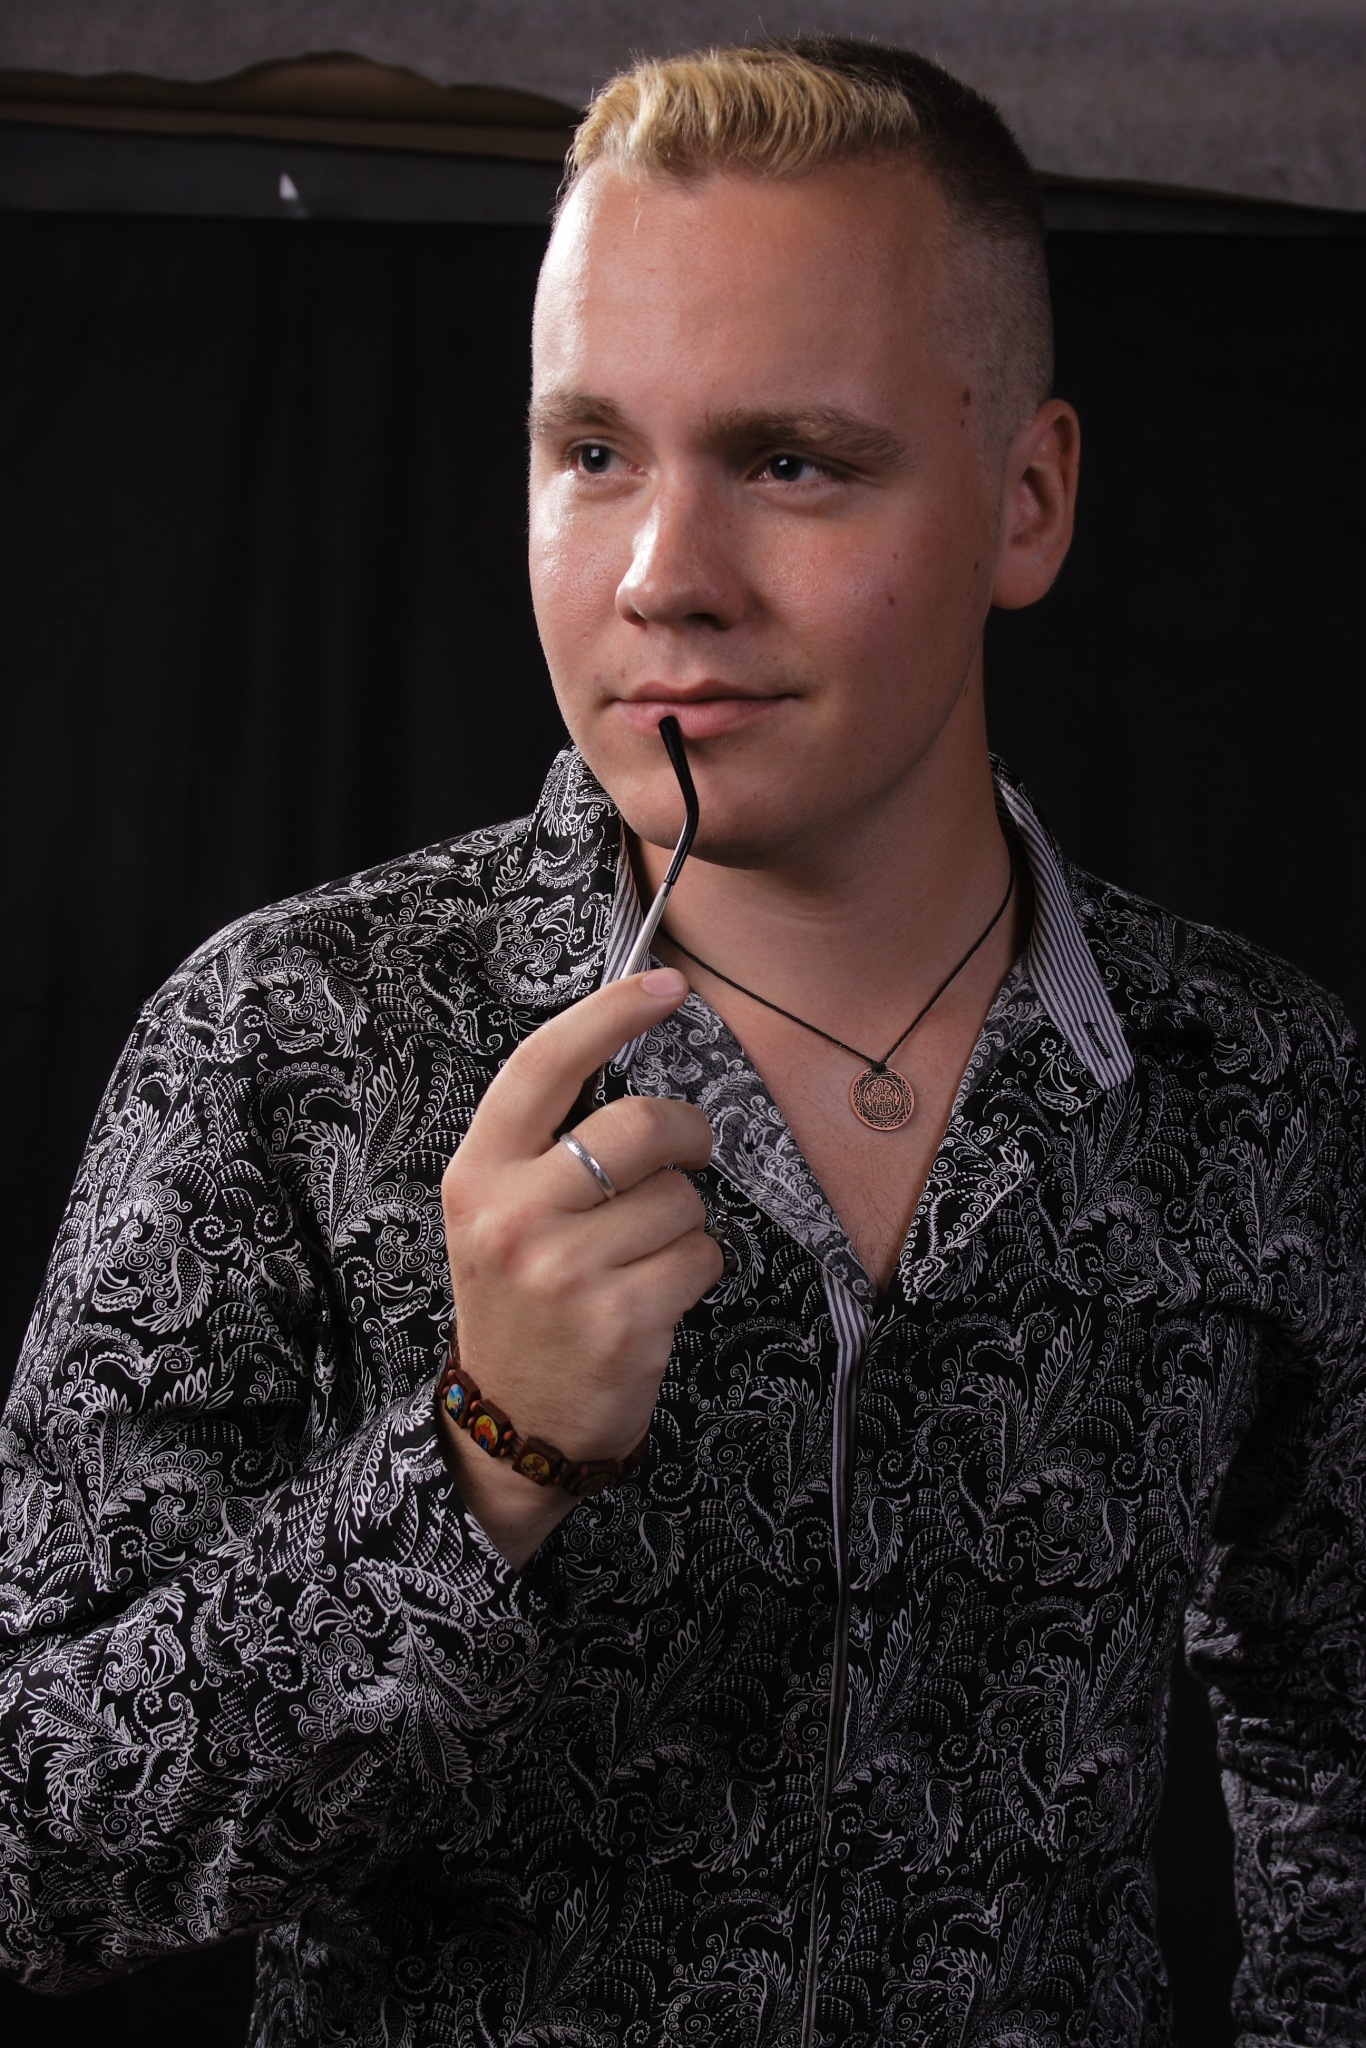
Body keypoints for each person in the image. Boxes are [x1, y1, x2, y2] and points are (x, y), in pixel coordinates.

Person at [1, 34, 1363, 2048]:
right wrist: (482, 1460)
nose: (662, 579)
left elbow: (1335, 1747)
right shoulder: (283, 1041)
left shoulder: (1255, 1080)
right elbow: (29, 1843)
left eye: (790, 461)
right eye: (590, 454)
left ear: (1025, 501)